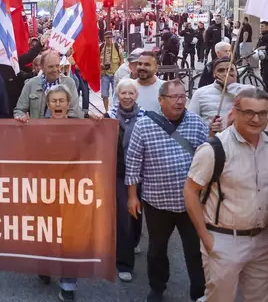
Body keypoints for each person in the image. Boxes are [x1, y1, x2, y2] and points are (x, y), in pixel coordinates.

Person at [16, 84, 101, 301]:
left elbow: (96, 146)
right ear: (47, 104)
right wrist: (22, 125)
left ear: (68, 102)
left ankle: (68, 284)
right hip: (45, 190)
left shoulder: (81, 126)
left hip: (71, 190)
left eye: (61, 100)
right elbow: (26, 152)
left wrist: (97, 123)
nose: (57, 104)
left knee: (70, 237)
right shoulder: (38, 126)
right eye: (53, 101)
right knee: (45, 231)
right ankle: (44, 265)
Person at [126, 79, 208, 302]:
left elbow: (207, 156)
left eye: (183, 96)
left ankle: (199, 292)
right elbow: (133, 162)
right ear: (161, 100)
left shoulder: (196, 123)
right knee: (157, 249)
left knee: (195, 250)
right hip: (157, 201)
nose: (180, 101)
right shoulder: (143, 125)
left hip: (190, 203)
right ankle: (157, 287)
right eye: (174, 97)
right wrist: (132, 196)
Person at [185, 88, 268, 302]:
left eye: (263, 113)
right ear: (235, 112)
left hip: (262, 242)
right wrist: (206, 238)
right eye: (249, 112)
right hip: (224, 241)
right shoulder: (214, 149)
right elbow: (190, 191)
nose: (256, 119)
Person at [107, 79, 145, 283]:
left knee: (137, 215)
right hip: (119, 174)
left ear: (136, 96)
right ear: (117, 95)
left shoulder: (146, 118)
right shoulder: (108, 117)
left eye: (131, 93)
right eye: (124, 93)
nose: (127, 97)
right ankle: (124, 263)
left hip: (142, 174)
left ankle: (134, 241)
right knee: (125, 216)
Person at [189, 57, 253, 130]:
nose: (226, 73)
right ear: (214, 74)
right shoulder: (200, 93)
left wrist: (231, 86)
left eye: (231, 70)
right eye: (221, 70)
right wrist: (209, 128)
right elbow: (191, 122)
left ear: (236, 73)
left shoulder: (249, 90)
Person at [14, 51, 81, 120]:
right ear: (42, 67)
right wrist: (22, 117)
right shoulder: (30, 84)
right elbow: (19, 110)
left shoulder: (69, 83)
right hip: (38, 129)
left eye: (57, 66)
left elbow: (74, 113)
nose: (55, 69)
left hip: (61, 129)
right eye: (51, 67)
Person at [100, 31, 123, 112]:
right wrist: (100, 65)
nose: (109, 39)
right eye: (107, 38)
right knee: (104, 94)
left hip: (115, 73)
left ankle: (115, 110)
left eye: (110, 37)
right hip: (104, 73)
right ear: (104, 38)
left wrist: (120, 69)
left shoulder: (117, 46)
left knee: (116, 93)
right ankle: (106, 111)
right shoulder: (101, 47)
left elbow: (121, 58)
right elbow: (96, 59)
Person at [258, 21, 268, 87]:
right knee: (263, 73)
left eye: (262, 26)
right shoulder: (262, 35)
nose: (261, 28)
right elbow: (258, 45)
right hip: (263, 58)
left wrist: (265, 47)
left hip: (267, 58)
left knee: (266, 76)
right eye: (260, 26)